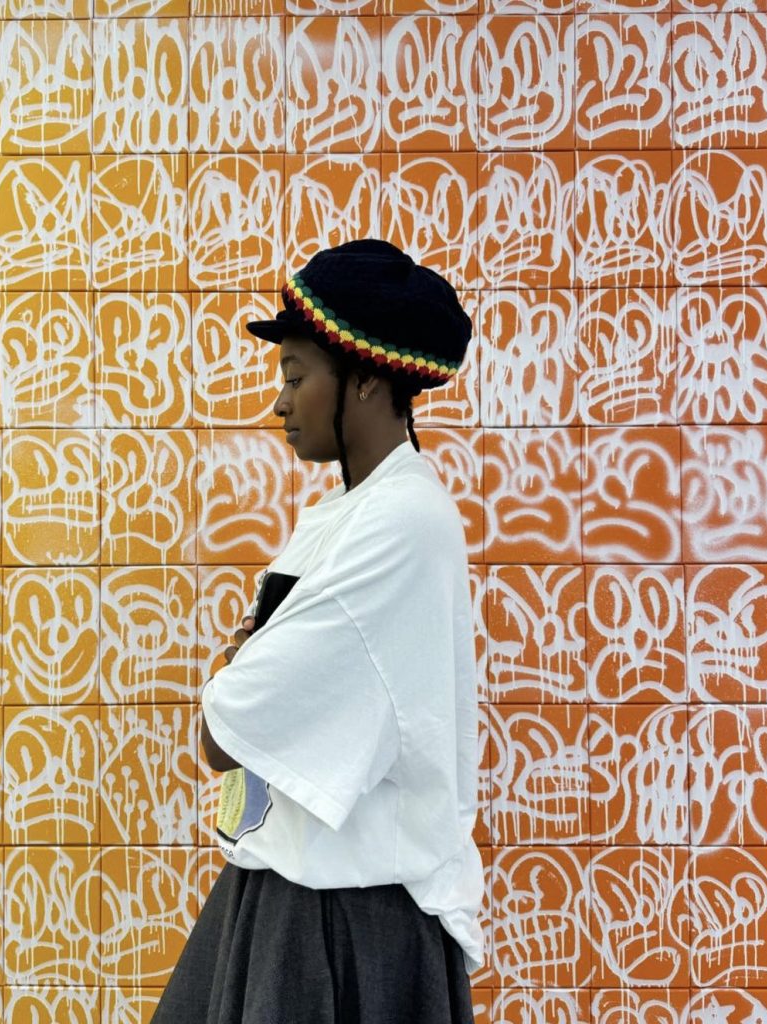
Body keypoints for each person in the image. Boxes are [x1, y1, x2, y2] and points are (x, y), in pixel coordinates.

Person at [149, 239, 484, 1024]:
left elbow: (224, 731)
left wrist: (236, 665)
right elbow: (247, 693)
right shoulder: (344, 513)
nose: (279, 402)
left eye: (296, 377)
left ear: (365, 379)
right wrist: (242, 665)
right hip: (289, 882)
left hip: (345, 917)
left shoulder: (398, 521)